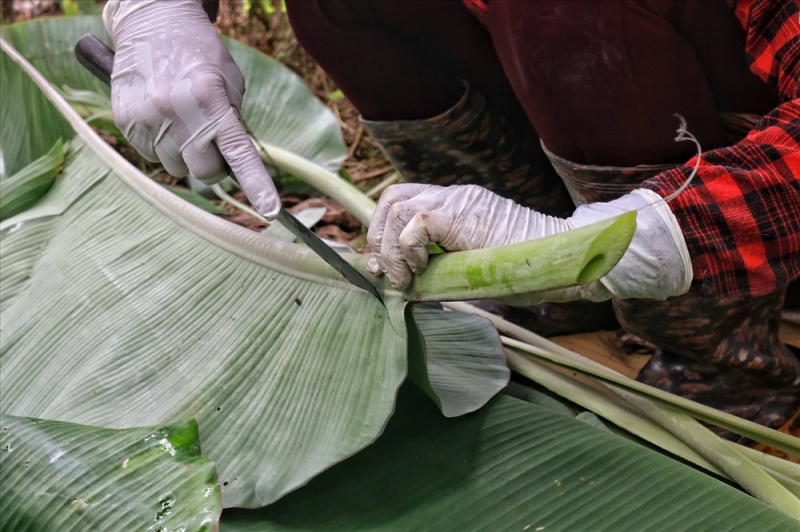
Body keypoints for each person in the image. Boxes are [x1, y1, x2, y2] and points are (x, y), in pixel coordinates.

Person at [102, 0, 799, 436]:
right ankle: (547, 307)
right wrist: (153, 11)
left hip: (741, 184)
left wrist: (632, 243)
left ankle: (722, 370)